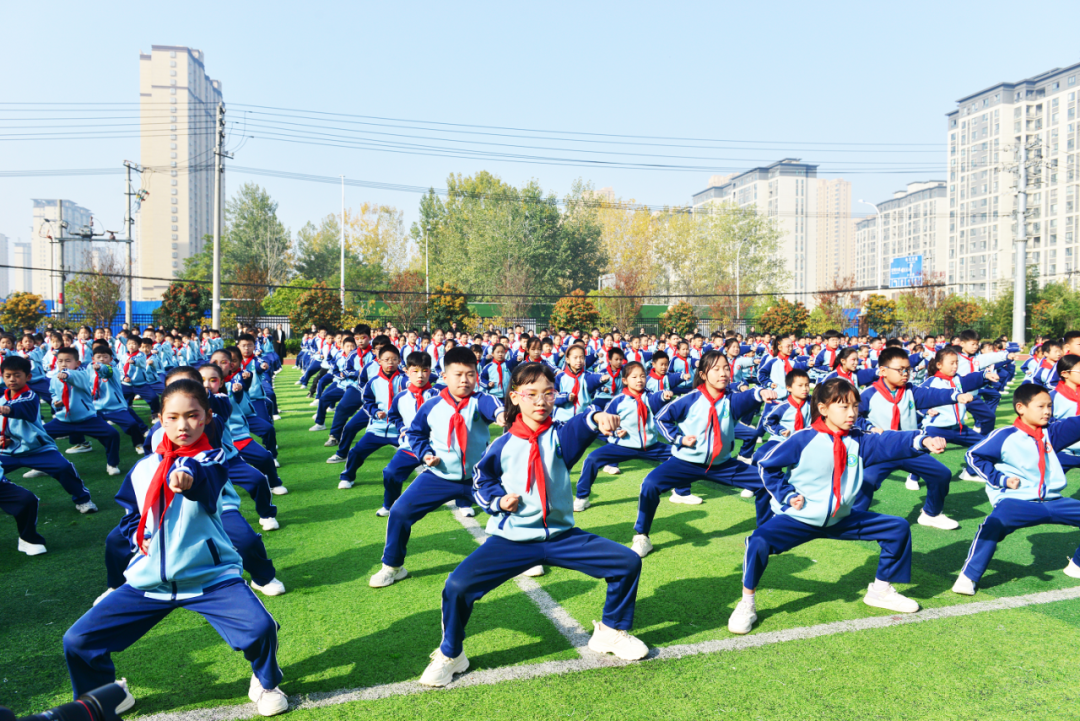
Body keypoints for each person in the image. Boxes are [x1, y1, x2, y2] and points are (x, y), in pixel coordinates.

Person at [61, 380, 288, 717]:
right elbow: (130, 513)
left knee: (260, 628)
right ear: (161, 419)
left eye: (193, 416)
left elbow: (202, 478)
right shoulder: (143, 468)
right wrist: (140, 535)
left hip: (208, 576)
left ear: (207, 417)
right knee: (78, 641)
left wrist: (186, 478)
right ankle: (105, 697)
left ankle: (265, 682)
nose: (184, 425)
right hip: (151, 579)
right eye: (174, 417)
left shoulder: (212, 459)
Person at [419, 362, 646, 687]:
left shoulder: (558, 436)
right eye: (531, 394)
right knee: (457, 586)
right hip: (511, 540)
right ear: (515, 397)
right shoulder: (502, 444)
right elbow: (482, 480)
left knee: (627, 562)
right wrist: (498, 502)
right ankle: (452, 654)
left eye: (548, 394)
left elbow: (581, 424)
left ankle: (609, 632)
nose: (541, 401)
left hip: (562, 537)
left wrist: (597, 417)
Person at [728, 378, 948, 634]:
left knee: (897, 528)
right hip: (801, 518)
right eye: (843, 407)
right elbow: (768, 467)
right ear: (823, 409)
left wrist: (922, 441)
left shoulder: (859, 440)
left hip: (841, 519)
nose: (852, 413)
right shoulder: (803, 439)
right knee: (758, 541)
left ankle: (880, 590)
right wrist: (787, 496)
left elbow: (889, 442)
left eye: (855, 406)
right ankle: (747, 603)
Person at [369, 347, 505, 588]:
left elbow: (495, 409)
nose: (465, 380)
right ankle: (392, 566)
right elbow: (416, 433)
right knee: (399, 511)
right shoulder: (431, 405)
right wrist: (425, 454)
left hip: (479, 478)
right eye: (458, 374)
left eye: (471, 374)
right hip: (440, 476)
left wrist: (502, 415)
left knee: (513, 508)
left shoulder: (481, 399)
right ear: (444, 376)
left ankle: (525, 556)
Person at [631, 351, 776, 559]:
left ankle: (765, 534)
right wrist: (679, 439)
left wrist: (760, 394)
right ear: (703, 374)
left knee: (764, 482)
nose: (723, 373)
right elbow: (662, 418)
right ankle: (642, 536)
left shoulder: (730, 401)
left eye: (726, 368)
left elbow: (747, 397)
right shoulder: (690, 399)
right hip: (685, 462)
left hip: (723, 465)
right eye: (716, 369)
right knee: (650, 484)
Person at [954, 382, 1080, 595]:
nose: (1047, 411)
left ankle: (1076, 565)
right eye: (1041, 406)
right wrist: (1001, 480)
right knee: (992, 525)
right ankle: (968, 577)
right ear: (1021, 408)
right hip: (1017, 502)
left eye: (1050, 406)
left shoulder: (1053, 433)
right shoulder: (1005, 435)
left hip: (1053, 501)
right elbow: (974, 456)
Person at [574, 361, 677, 511]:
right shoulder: (618, 401)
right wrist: (617, 431)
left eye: (642, 376)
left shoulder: (648, 397)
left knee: (680, 454)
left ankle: (681, 492)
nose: (639, 380)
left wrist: (664, 395)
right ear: (625, 381)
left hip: (650, 446)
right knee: (592, 459)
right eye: (634, 377)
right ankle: (582, 497)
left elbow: (657, 399)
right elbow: (606, 421)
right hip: (622, 446)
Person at [336, 344, 407, 488]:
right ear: (379, 361)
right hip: (377, 429)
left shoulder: (405, 381)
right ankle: (347, 477)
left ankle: (437, 480)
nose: (390, 362)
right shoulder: (373, 382)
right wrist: (375, 412)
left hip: (400, 431)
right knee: (356, 452)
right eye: (386, 359)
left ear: (399, 361)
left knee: (421, 453)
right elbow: (367, 402)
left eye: (394, 359)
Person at [44, 348, 121, 476]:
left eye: (68, 361)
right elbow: (53, 393)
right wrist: (56, 402)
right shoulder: (54, 378)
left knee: (112, 434)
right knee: (40, 435)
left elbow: (74, 377)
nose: (63, 364)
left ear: (78, 363)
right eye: (60, 361)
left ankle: (112, 464)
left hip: (87, 419)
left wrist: (67, 374)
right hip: (63, 420)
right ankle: (41, 465)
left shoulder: (83, 375)